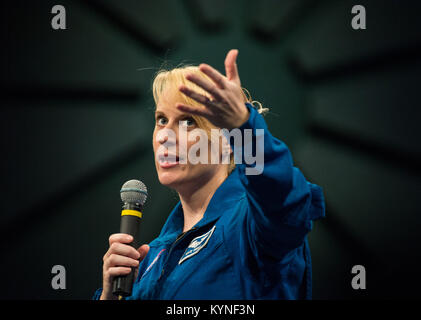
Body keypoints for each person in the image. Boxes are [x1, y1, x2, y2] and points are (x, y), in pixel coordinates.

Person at [93, 49, 325, 300]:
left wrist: (242, 127)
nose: (163, 136)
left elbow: (283, 199)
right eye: (161, 120)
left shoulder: (250, 227)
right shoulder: (152, 256)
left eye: (188, 122)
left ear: (227, 141)